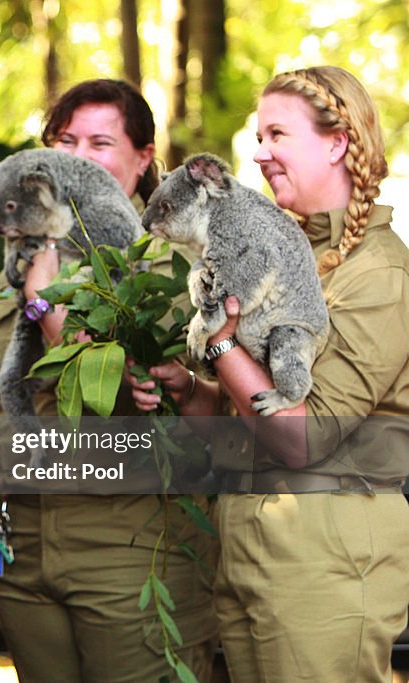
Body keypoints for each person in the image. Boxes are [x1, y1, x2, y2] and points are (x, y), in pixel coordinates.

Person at [130, 66, 409, 682]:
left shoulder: (380, 275)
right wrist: (193, 389)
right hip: (246, 548)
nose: (258, 153)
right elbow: (246, 416)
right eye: (259, 136)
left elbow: (300, 436)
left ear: (337, 143)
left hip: (325, 563)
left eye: (277, 134)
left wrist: (222, 338)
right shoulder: (282, 246)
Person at [0, 79, 217, 682]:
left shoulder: (176, 267)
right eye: (63, 140)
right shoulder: (22, 262)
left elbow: (157, 403)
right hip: (24, 552)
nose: (75, 159)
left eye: (100, 143)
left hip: (131, 551)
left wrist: (48, 310)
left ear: (143, 158)